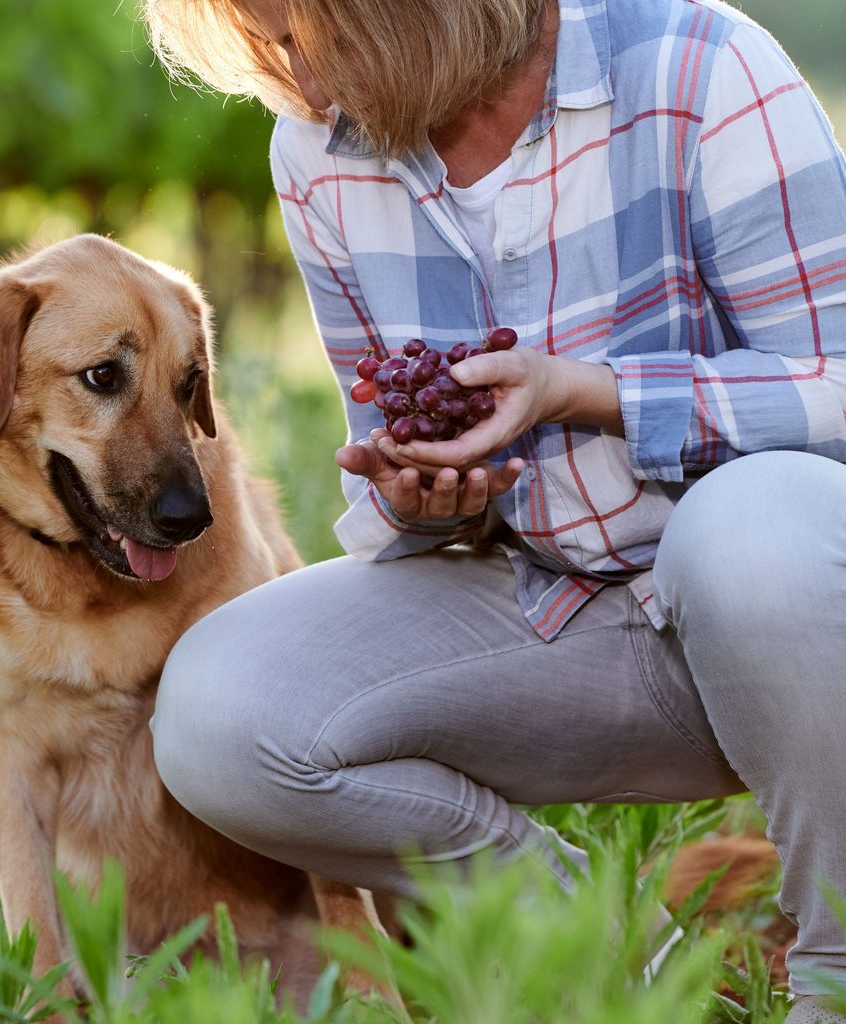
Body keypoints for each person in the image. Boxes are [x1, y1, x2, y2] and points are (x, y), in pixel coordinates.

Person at [143, 0, 846, 1018]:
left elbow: (836, 385)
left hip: (786, 630)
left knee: (744, 532)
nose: (293, 81)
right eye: (261, 49)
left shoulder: (700, 66)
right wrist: (423, 499)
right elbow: (388, 475)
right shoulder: (316, 148)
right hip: (564, 617)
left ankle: (833, 975)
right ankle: (597, 949)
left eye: (297, 34)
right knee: (218, 713)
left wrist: (585, 390)